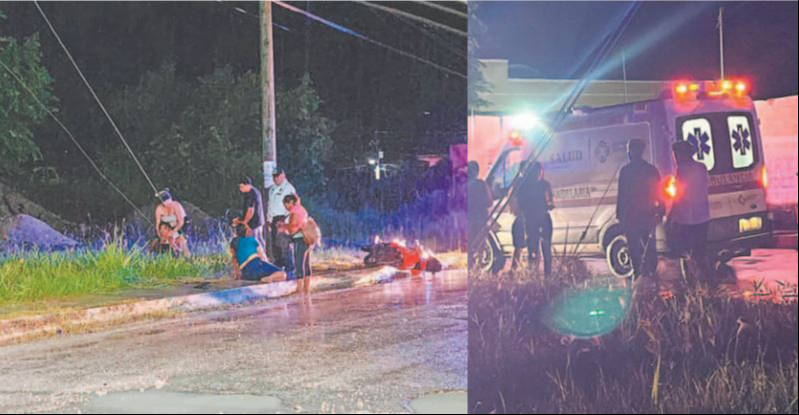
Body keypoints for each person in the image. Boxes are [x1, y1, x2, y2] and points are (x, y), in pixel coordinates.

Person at [616, 139, 665, 280]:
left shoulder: (625, 171)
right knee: (649, 246)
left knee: (634, 247)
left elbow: (622, 196)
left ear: (632, 151)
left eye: (629, 149)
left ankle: (638, 274)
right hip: (648, 214)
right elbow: (659, 193)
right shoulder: (651, 170)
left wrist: (620, 216)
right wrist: (661, 211)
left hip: (632, 217)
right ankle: (651, 274)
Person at [669, 140, 713, 281]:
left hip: (686, 219)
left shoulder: (682, 170)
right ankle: (706, 281)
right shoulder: (701, 167)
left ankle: (690, 282)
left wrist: (671, 216)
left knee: (686, 253)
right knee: (700, 252)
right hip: (702, 217)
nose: (675, 158)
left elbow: (679, 195)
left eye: (676, 154)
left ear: (682, 154)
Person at [517, 162, 555, 277]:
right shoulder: (544, 185)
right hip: (543, 217)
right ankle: (548, 276)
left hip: (530, 218)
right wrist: (548, 205)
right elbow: (550, 203)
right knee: (546, 247)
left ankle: (533, 275)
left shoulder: (522, 185)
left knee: (532, 248)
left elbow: (520, 203)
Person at [276, 194, 315, 293]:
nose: (286, 207)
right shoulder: (301, 209)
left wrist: (283, 227)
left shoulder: (294, 212)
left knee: (299, 264)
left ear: (290, 203)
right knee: (306, 263)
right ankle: (307, 288)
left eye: (286, 205)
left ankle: (300, 289)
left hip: (300, 239)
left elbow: (293, 227)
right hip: (308, 238)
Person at [267, 168, 296, 266]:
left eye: (278, 176)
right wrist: (269, 220)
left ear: (283, 175)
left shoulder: (289, 188)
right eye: (274, 177)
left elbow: (292, 206)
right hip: (274, 218)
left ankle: (289, 265)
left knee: (284, 243)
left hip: (284, 218)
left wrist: (287, 223)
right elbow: (270, 204)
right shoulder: (272, 188)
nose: (276, 179)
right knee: (275, 244)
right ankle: (278, 264)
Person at [468, 161, 493, 267]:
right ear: (477, 172)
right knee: (480, 244)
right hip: (481, 219)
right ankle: (478, 266)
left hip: (468, 220)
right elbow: (489, 202)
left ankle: (470, 266)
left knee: (470, 243)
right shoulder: (482, 184)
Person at [154, 189, 191, 258]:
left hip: (180, 225)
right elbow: (158, 223)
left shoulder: (175, 205)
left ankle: (186, 254)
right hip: (168, 226)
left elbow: (181, 222)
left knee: (179, 238)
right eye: (166, 202)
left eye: (169, 202)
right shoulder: (159, 209)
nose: (168, 204)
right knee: (167, 237)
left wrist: (173, 232)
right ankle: (173, 253)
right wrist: (158, 232)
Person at [233, 177, 266, 251]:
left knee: (254, 241)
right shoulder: (256, 191)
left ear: (247, 185)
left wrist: (245, 222)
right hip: (259, 221)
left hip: (253, 223)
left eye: (242, 186)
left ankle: (259, 258)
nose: (240, 189)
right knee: (259, 239)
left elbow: (250, 210)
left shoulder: (251, 194)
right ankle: (263, 256)